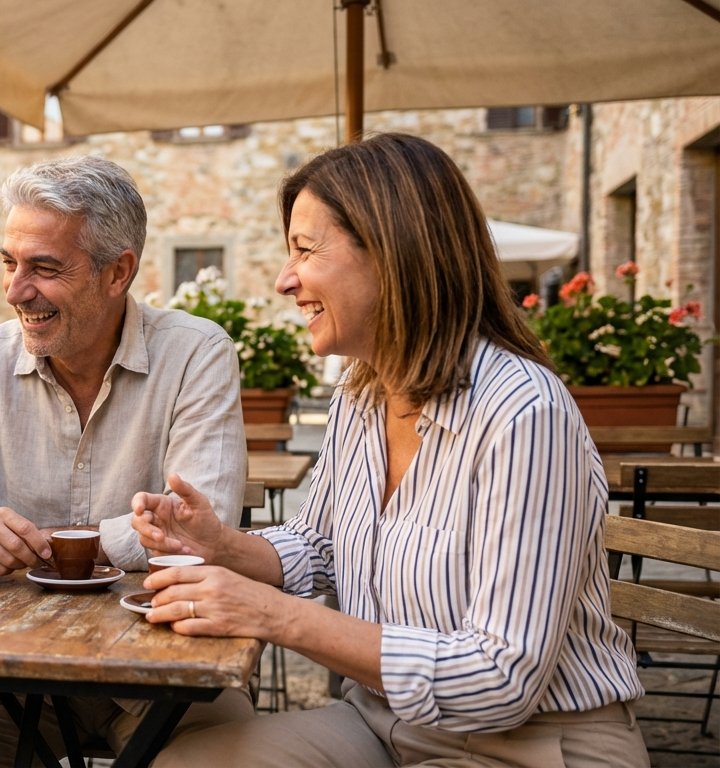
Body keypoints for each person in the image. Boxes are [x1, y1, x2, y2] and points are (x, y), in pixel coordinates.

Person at [132, 132, 649, 767]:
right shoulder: (361, 395)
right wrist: (223, 547)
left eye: (305, 249)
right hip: (382, 724)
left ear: (392, 251)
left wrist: (272, 615)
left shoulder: (524, 414)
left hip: (530, 745)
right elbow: (320, 545)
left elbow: (503, 677)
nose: (285, 279)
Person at [0, 154, 253, 767]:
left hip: (171, 656)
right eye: (9, 263)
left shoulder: (197, 353)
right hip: (17, 665)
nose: (16, 290)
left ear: (118, 273)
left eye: (44, 268)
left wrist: (55, 546)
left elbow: (201, 529)